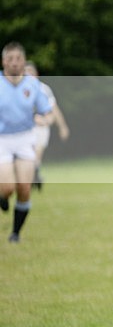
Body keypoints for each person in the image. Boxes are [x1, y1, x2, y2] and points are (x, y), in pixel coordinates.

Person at [1, 43, 53, 243]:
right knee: (7, 188)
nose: (14, 63)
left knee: (24, 187)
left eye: (18, 59)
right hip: (2, 139)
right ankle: (2, 196)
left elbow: (47, 113)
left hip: (24, 138)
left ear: (23, 61)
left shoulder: (32, 85)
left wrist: (44, 120)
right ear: (4, 61)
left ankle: (15, 234)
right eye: (10, 59)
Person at [24, 62, 70, 190]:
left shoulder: (44, 89)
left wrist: (62, 126)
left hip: (40, 128)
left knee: (37, 155)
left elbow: (54, 110)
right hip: (24, 130)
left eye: (30, 73)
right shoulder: (18, 90)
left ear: (36, 74)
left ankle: (34, 175)